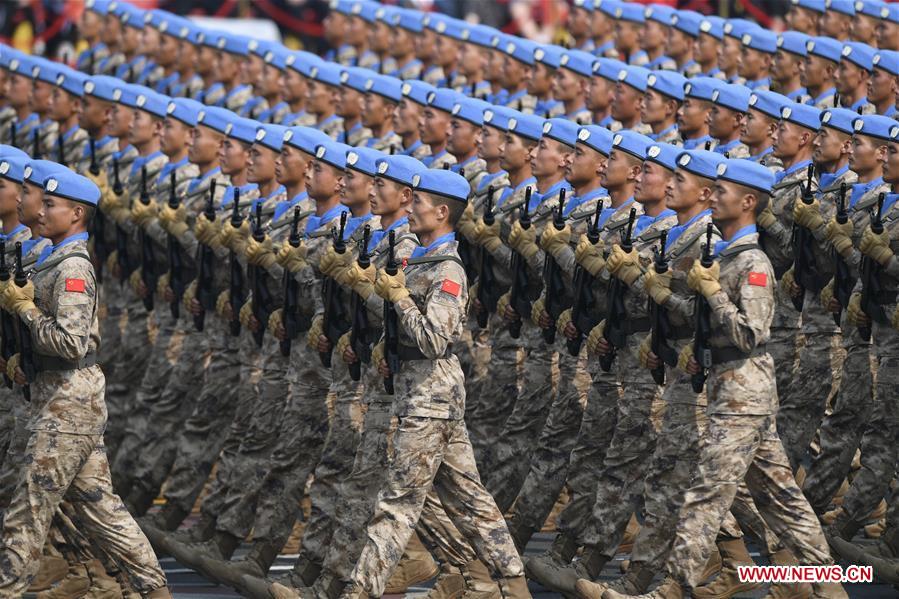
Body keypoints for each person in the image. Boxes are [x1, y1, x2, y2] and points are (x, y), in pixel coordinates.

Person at [604, 158, 847, 599]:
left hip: (743, 394)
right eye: (711, 190)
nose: (712, 198)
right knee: (783, 499)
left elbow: (751, 334)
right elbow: (709, 325)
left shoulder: (752, 261)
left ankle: (674, 588)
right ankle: (829, 587)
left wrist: (713, 293)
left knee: (705, 494)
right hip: (728, 389)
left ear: (748, 202)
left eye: (721, 192)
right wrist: (690, 345)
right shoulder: (726, 255)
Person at [338, 167, 530, 599]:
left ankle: (359, 591)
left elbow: (433, 339)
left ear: (442, 212)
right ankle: (514, 585)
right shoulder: (419, 258)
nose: (411, 208)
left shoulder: (448, 269)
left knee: (396, 505)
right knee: (469, 499)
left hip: (431, 396)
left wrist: (400, 298)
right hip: (419, 393)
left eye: (419, 203)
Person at [0, 166, 171, 598]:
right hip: (58, 396)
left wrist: (25, 311)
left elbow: (71, 342)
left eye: (51, 204)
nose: (40, 210)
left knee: (27, 509)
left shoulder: (74, 266)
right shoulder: (56, 257)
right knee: (99, 508)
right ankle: (152, 590)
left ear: (77, 213)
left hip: (67, 402)